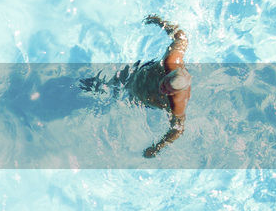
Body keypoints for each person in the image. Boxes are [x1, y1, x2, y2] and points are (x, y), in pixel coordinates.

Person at [80, 14, 192, 158]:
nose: (162, 89)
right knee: (104, 85)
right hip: (138, 74)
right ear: (168, 74)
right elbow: (181, 37)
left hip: (140, 99)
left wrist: (157, 147)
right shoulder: (172, 61)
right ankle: (95, 85)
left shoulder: (177, 104)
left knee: (110, 94)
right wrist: (160, 22)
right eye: (164, 83)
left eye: (167, 92)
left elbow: (177, 130)